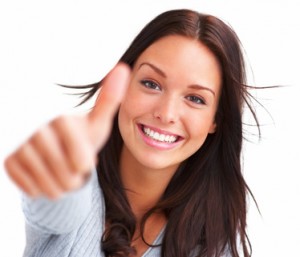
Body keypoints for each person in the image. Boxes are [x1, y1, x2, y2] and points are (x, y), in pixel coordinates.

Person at [4, 8, 260, 257]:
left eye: (195, 98)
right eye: (151, 84)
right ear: (124, 86)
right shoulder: (81, 183)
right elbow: (59, 207)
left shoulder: (215, 242)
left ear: (216, 120)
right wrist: (59, 175)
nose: (166, 113)